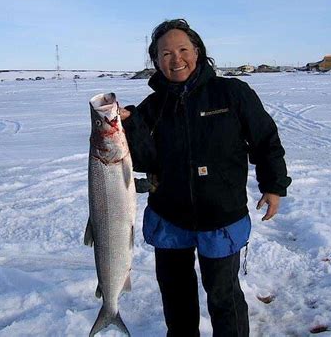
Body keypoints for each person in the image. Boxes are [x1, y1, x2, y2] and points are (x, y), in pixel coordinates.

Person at [120, 19, 291, 337]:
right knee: (176, 298)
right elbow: (143, 160)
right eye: (166, 53)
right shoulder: (152, 107)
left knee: (224, 296)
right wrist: (128, 125)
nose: (176, 59)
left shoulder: (231, 93)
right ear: (156, 61)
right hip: (169, 217)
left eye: (183, 49)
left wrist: (273, 185)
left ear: (197, 51)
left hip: (221, 216)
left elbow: (265, 139)